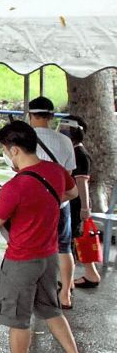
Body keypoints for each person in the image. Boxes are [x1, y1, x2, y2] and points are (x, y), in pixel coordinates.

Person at [0, 121, 94, 353]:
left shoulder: (16, 187)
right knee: (50, 309)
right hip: (48, 257)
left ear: (13, 150)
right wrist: (45, 205)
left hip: (21, 259)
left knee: (18, 317)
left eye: (4, 149)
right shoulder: (55, 172)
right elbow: (71, 192)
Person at [26, 96, 78, 309]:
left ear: (30, 116)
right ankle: (65, 294)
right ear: (52, 116)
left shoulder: (23, 141)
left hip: (31, 206)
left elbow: (17, 169)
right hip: (60, 203)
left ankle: (34, 293)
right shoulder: (65, 141)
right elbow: (69, 175)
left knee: (31, 248)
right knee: (64, 248)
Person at [62, 117, 102, 289]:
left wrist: (85, 208)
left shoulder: (80, 155)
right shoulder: (75, 152)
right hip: (74, 202)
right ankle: (90, 274)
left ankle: (71, 281)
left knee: (72, 241)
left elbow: (81, 183)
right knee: (76, 239)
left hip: (76, 203)